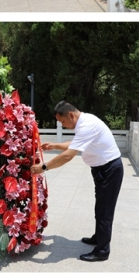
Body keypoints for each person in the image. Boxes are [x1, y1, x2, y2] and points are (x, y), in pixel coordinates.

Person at [31, 101, 123, 262]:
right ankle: (99, 237)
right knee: (100, 207)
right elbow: (75, 144)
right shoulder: (84, 121)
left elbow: (68, 156)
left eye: (63, 122)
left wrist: (43, 167)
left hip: (109, 170)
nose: (63, 125)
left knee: (105, 210)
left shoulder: (87, 125)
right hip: (103, 169)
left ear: (71, 115)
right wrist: (55, 145)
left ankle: (102, 251)